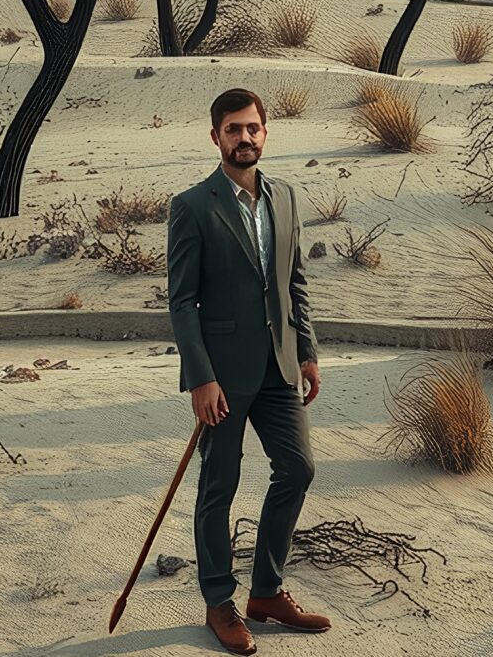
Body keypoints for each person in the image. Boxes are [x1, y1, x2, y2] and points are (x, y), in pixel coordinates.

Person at [167, 86, 333, 653]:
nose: (244, 138)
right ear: (216, 137)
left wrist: (306, 351)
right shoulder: (192, 206)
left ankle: (266, 592)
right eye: (233, 129)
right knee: (220, 486)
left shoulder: (285, 197)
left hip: (280, 367)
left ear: (266, 133)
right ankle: (219, 601)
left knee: (298, 469)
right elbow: (181, 302)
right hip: (224, 376)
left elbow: (293, 283)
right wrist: (201, 378)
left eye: (252, 128)